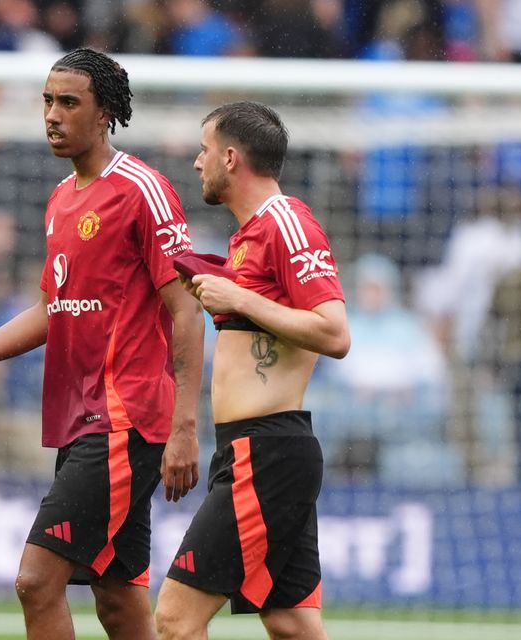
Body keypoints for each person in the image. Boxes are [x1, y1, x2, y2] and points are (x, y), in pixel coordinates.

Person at [0, 48, 204, 640]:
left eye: (69, 102)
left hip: (126, 418)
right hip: (82, 420)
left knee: (37, 581)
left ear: (105, 113)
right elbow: (50, 310)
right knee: (117, 600)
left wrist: (186, 427)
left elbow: (186, 309)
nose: (53, 115)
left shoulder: (143, 188)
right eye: (47, 101)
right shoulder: (61, 199)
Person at [155, 102, 349, 640]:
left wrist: (236, 295)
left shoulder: (287, 222)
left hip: (267, 454)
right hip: (253, 449)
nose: (198, 163)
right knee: (291, 623)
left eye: (205, 150)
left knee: (174, 620)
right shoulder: (247, 238)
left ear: (232, 157)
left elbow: (335, 333)